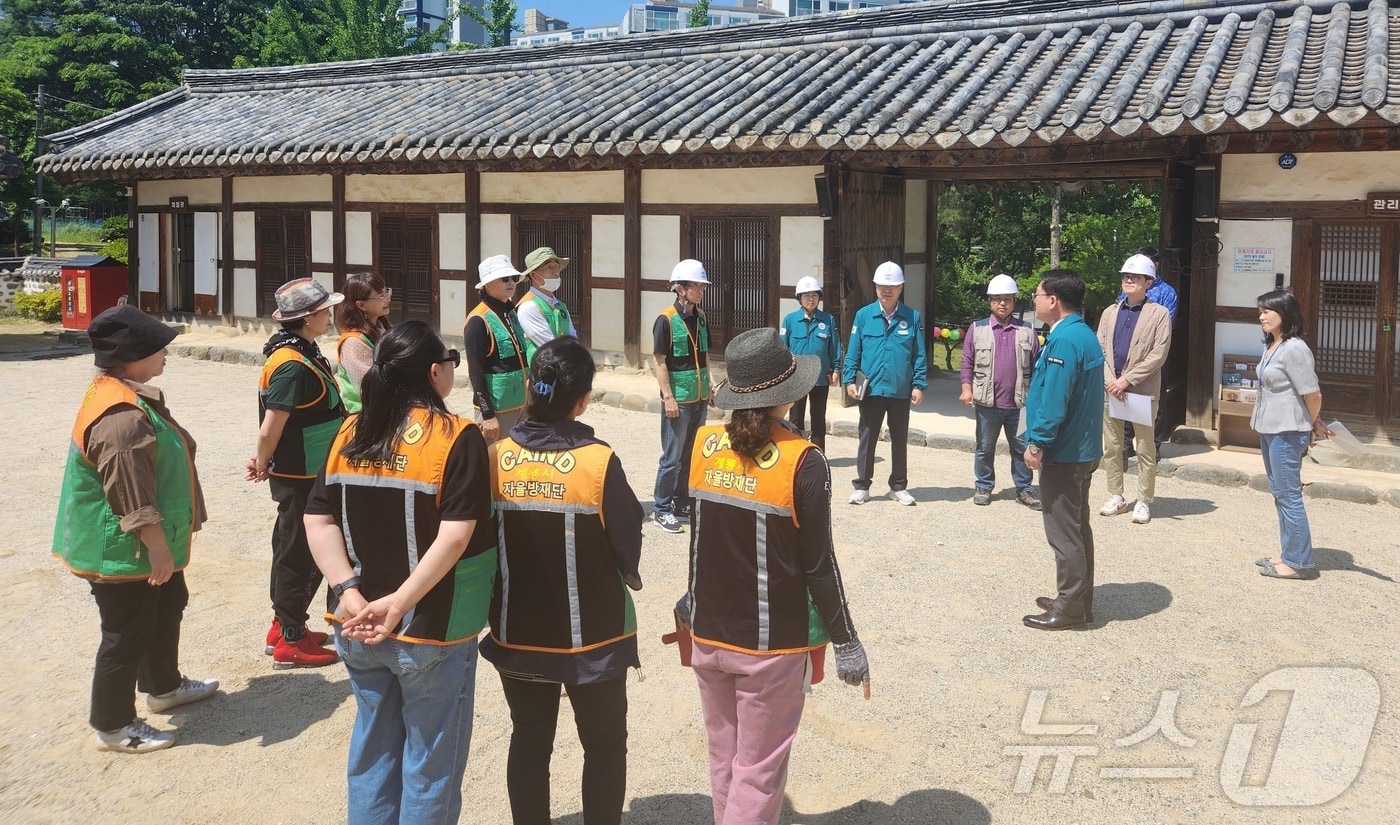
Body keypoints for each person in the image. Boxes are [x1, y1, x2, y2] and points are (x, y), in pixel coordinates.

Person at [305, 320, 498, 825]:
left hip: (353, 621)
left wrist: (347, 588)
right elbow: (455, 535)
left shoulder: (351, 429)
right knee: (431, 762)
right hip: (430, 627)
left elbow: (317, 517)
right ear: (436, 372)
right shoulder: (457, 437)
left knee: (373, 749)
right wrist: (400, 602)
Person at [679, 327, 869, 825]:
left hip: (707, 634)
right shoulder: (803, 461)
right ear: (787, 394)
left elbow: (706, 537)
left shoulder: (702, 445)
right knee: (759, 771)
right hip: (768, 646)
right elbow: (819, 564)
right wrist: (846, 639)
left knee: (725, 759)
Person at [483, 336, 645, 825]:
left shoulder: (496, 458)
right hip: (593, 639)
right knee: (604, 744)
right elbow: (626, 540)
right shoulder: (599, 462)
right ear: (583, 400)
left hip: (519, 634)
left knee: (529, 740)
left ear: (530, 387)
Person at [53, 305, 217, 753]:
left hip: (140, 544)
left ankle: (164, 686)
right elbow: (130, 491)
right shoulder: (120, 415)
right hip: (124, 546)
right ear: (132, 357)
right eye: (157, 347)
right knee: (125, 632)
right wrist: (158, 548)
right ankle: (113, 724)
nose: (166, 353)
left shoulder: (125, 391)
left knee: (167, 604)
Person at [248, 277, 344, 669]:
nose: (330, 316)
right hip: (302, 473)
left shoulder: (298, 350)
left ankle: (284, 626)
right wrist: (261, 460)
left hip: (309, 469)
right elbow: (272, 424)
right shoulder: (291, 364)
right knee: (299, 554)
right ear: (308, 317)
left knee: (292, 546)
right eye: (325, 311)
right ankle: (290, 638)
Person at [1021, 271, 1104, 631]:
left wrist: (1037, 441)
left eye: (1037, 294)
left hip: (1064, 450)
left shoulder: (1065, 341)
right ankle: (1077, 599)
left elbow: (1055, 400)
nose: (1034, 300)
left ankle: (1070, 609)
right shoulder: (1082, 334)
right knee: (1077, 526)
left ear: (1053, 300)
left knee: (1064, 531)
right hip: (1081, 447)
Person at [1251, 289, 1331, 580]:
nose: (1261, 316)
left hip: (1286, 430)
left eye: (1267, 311)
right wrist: (1314, 421)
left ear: (1285, 313)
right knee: (1279, 493)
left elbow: (1313, 393)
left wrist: (1310, 423)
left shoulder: (1295, 347)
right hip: (1270, 426)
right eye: (1260, 311)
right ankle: (1289, 553)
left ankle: (1298, 562)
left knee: (1288, 495)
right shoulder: (1273, 344)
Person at [842, 261, 927, 506]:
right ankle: (862, 486)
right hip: (871, 389)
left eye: (892, 286)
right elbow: (853, 351)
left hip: (900, 389)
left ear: (901, 288)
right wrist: (849, 379)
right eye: (881, 286)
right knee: (867, 437)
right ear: (875, 287)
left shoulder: (912, 317)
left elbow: (919, 354)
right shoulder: (864, 315)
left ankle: (898, 487)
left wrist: (918, 384)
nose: (886, 290)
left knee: (900, 438)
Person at [1096, 253, 1172, 525]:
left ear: (1148, 282)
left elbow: (1158, 354)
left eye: (1135, 277)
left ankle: (1143, 500)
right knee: (1113, 445)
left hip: (1140, 388)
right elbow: (1100, 348)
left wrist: (1126, 380)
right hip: (1111, 388)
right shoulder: (1109, 312)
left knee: (1144, 446)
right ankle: (1116, 494)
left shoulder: (1159, 314)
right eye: (1126, 276)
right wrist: (1110, 381)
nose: (1128, 280)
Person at [959, 273, 1041, 509]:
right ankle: (984, 485)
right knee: (985, 448)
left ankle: (1024, 489)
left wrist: (1036, 398)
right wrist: (966, 388)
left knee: (1021, 448)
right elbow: (966, 361)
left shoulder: (1027, 330)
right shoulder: (977, 328)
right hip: (987, 404)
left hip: (1019, 404)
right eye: (997, 299)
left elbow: (1037, 366)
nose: (1002, 303)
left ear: (1014, 302)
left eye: (1007, 299)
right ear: (989, 302)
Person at [651, 258, 712, 533]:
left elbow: (705, 354)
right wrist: (668, 398)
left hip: (698, 396)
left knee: (690, 454)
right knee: (672, 456)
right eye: (696, 286)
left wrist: (709, 385)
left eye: (702, 286)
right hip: (678, 399)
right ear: (679, 288)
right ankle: (661, 508)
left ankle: (681, 502)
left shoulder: (701, 316)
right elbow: (659, 361)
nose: (701, 290)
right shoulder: (665, 320)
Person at [1117, 246, 1178, 453]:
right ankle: (1126, 444)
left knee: (1154, 400)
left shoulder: (1167, 292)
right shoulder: (1127, 289)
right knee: (1124, 398)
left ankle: (1153, 445)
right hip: (1126, 355)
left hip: (1152, 354)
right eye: (1128, 275)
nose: (1131, 279)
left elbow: (1165, 324)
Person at [466, 255, 530, 444]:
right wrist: (488, 415)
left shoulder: (511, 312)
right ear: (486, 283)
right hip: (498, 410)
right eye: (505, 278)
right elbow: (475, 373)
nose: (511, 282)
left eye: (514, 278)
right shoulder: (478, 320)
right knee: (494, 464)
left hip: (522, 405)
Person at [780, 275, 841, 451]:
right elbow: (783, 349)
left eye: (814, 295)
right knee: (796, 418)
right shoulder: (790, 320)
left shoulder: (827, 320)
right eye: (807, 296)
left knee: (818, 418)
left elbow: (834, 347)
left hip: (820, 377)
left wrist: (836, 369)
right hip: (797, 377)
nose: (811, 299)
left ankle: (817, 454)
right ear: (799, 298)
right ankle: (795, 453)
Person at [334, 271, 393, 414]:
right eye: (380, 296)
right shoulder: (353, 342)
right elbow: (369, 386)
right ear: (361, 305)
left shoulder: (382, 328)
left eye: (386, 292)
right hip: (366, 415)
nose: (386, 299)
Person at [515, 246, 578, 364]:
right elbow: (550, 345)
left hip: (563, 369)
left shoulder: (560, 305)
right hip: (541, 375)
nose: (556, 272)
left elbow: (573, 337)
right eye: (549, 267)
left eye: (557, 267)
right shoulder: (529, 306)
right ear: (534, 275)